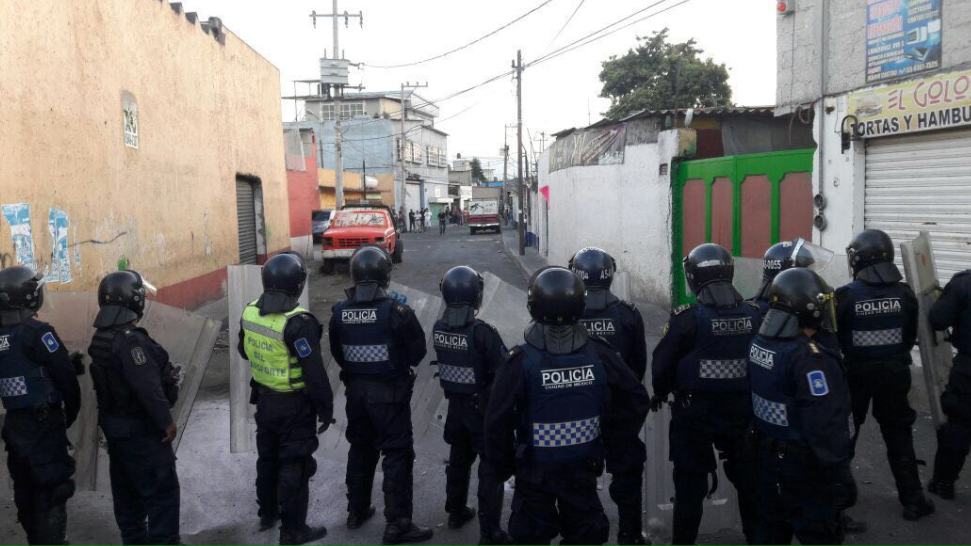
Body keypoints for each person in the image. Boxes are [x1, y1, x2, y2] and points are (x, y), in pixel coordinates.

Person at [485, 267, 651, 545]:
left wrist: (504, 466)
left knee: (531, 535)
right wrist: (611, 440)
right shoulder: (600, 354)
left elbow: (496, 421)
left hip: (533, 473)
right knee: (587, 534)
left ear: (533, 306)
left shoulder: (519, 361)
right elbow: (636, 398)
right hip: (582, 470)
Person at [651, 244, 762, 544]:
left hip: (694, 416)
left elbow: (661, 365)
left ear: (694, 277)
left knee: (690, 486)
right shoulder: (754, 315)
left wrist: (660, 393)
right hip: (742, 413)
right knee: (750, 483)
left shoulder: (686, 319)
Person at [329, 246, 434, 544]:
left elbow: (338, 353)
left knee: (361, 448)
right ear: (385, 275)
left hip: (356, 394)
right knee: (397, 453)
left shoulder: (339, 312)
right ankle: (398, 523)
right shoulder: (397, 312)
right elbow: (418, 352)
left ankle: (357, 511)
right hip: (390, 395)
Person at [748, 268, 856, 544]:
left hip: (766, 457)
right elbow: (825, 422)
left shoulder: (760, 342)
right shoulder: (810, 358)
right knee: (819, 533)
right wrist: (839, 472)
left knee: (770, 531)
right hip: (803, 466)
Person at [836, 229, 935, 521]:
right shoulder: (905, 294)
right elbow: (909, 338)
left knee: (845, 436)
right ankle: (913, 500)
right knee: (899, 435)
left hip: (855, 375)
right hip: (894, 374)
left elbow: (836, 337)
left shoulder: (845, 296)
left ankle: (836, 505)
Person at [238, 253, 334, 544]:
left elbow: (243, 351)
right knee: (295, 464)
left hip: (265, 402)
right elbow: (315, 373)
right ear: (298, 284)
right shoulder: (298, 323)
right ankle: (293, 530)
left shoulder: (250, 311)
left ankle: (268, 513)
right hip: (293, 406)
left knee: (267, 459)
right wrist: (325, 409)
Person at [88, 270, 182, 545]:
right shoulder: (131, 341)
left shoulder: (102, 337)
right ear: (134, 300)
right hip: (141, 431)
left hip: (117, 431)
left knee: (127, 491)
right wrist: (166, 421)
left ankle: (134, 540)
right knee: (162, 492)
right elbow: (148, 387)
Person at [569, 247, 648, 544]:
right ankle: (629, 535)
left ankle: (585, 530)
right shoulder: (627, 314)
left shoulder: (566, 313)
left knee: (579, 474)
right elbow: (639, 364)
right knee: (627, 471)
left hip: (579, 407)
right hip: (620, 409)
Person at [432, 266, 513, 544]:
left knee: (458, 459)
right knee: (490, 467)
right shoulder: (482, 332)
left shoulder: (438, 327)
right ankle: (490, 532)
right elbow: (504, 371)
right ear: (475, 296)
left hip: (455, 408)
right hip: (482, 412)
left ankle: (455, 511)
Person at [0, 266, 81, 545]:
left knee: (26, 489)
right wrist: (69, 415)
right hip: (44, 425)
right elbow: (66, 378)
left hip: (15, 426)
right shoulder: (38, 332)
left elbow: (19, 370)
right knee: (52, 487)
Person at [927, 269, 971, 500]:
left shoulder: (964, 283)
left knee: (959, 426)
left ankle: (943, 483)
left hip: (968, 369)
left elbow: (938, 319)